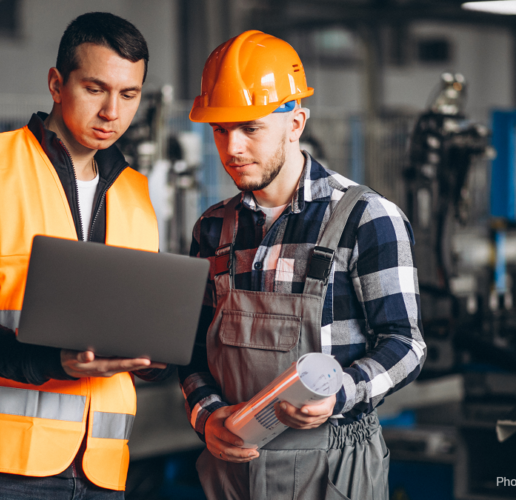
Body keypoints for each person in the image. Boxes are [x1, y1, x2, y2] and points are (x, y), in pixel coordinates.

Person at [178, 30, 426, 500]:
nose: (231, 148)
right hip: (232, 470)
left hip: (333, 469)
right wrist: (207, 416)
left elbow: (406, 345)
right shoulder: (212, 229)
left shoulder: (365, 218)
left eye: (250, 128)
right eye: (219, 128)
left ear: (296, 122)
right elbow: (192, 351)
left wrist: (341, 394)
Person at [0, 12, 170, 500]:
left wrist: (155, 357)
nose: (112, 111)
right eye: (95, 89)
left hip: (101, 468)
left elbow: (138, 319)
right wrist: (50, 361)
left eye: (129, 95)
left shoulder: (135, 193)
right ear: (56, 83)